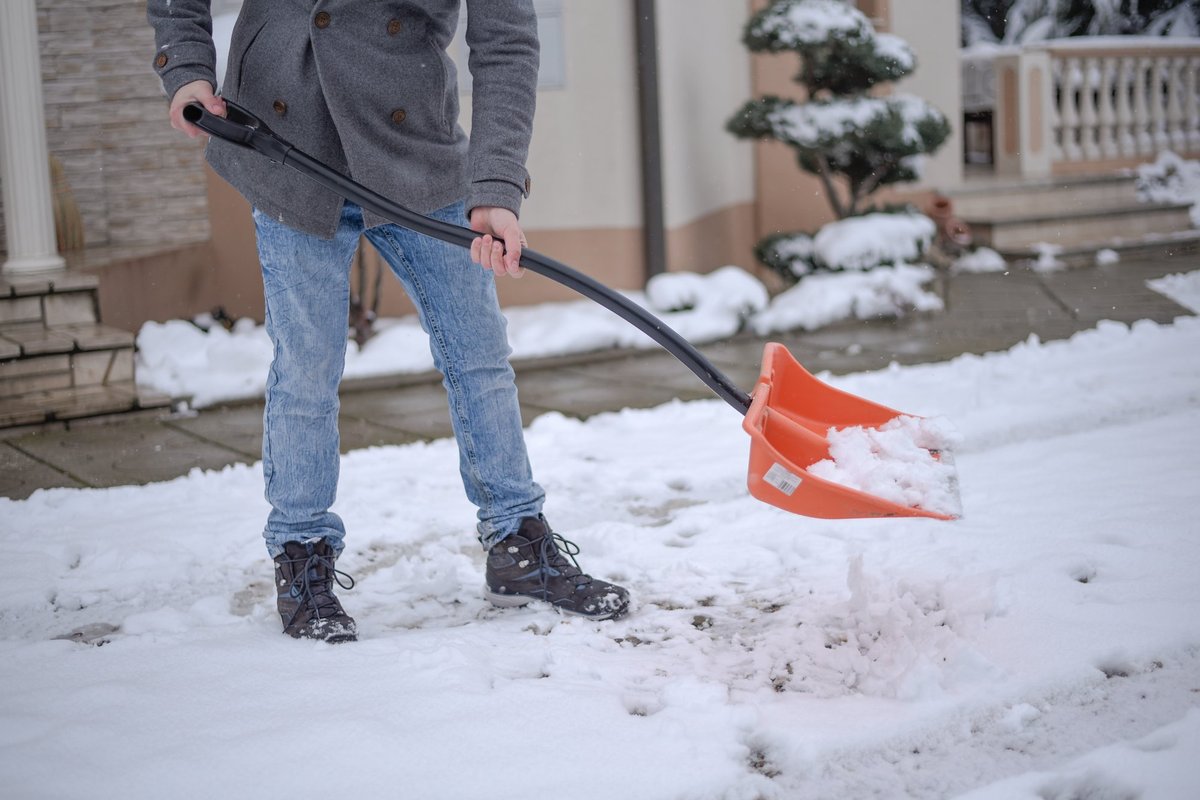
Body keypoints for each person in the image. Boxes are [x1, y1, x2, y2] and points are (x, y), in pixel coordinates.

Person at [147, 0, 630, 642]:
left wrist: (494, 187)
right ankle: (301, 556)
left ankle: (517, 544)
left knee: (478, 356)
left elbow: (507, 41)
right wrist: (185, 68)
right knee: (307, 370)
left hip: (414, 155)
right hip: (282, 145)